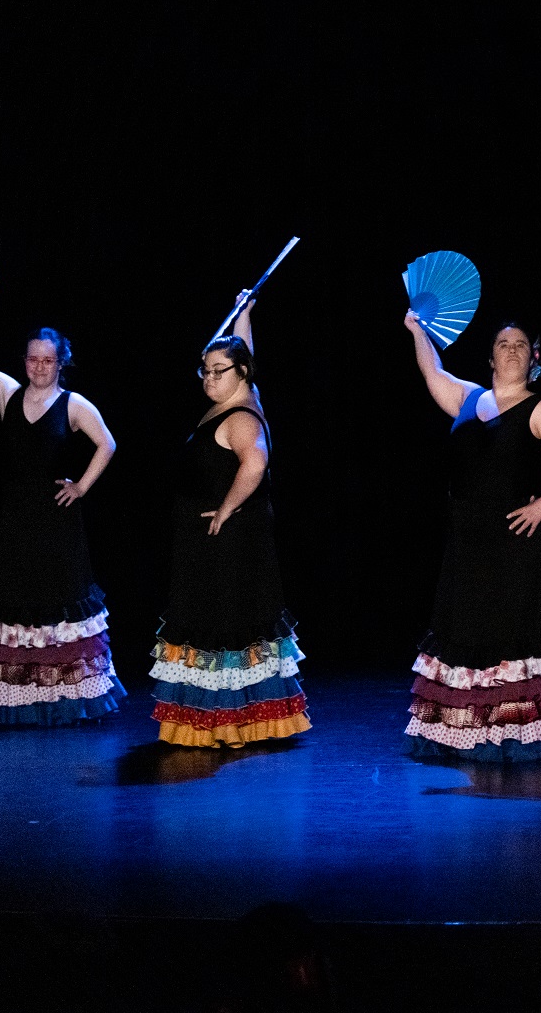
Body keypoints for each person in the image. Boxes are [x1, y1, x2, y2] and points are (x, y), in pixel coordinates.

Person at [403, 313, 541, 760]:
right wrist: (416, 330)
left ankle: (516, 733)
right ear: (490, 357)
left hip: (513, 541)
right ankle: (463, 729)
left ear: (533, 358)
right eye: (503, 344)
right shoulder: (468, 398)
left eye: (520, 344)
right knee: (466, 628)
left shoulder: (540, 408)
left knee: (511, 632)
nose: (511, 350)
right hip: (467, 540)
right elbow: (431, 370)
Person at [0, 294, 123, 725]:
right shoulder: (7, 393)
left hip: (58, 523)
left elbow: (107, 443)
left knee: (61, 604)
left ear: (61, 363)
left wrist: (81, 486)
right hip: (17, 521)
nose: (39, 367)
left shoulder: (74, 404)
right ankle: (22, 700)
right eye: (33, 359)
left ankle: (71, 699)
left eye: (47, 360)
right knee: (20, 602)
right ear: (25, 361)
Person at [151, 294, 309, 747]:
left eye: (219, 371)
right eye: (205, 370)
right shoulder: (245, 394)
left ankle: (228, 726)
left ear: (241, 373)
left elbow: (254, 464)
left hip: (228, 543)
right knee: (220, 626)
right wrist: (244, 315)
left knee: (224, 629)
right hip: (214, 540)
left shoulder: (241, 416)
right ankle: (232, 721)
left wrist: (225, 507)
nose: (209, 378)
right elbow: (245, 356)